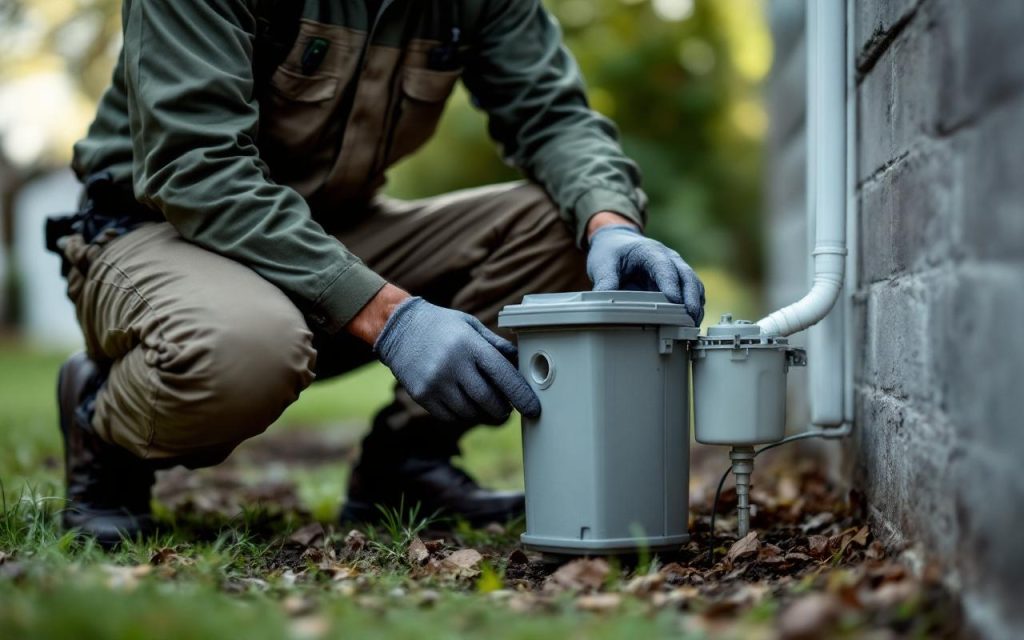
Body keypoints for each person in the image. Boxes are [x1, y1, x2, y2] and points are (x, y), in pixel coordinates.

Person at [49, 0, 705, 546]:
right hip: (155, 229)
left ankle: (405, 464)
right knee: (240, 353)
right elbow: (194, 166)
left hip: (332, 229)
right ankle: (105, 429)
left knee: (560, 222)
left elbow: (554, 117)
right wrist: (393, 316)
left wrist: (610, 224)